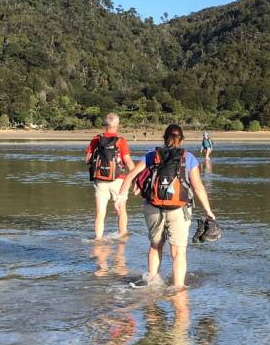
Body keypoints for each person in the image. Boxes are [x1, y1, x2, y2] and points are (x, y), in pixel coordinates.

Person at [120, 124, 216, 289]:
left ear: (164, 138)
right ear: (182, 140)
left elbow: (131, 175)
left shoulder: (152, 155)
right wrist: (208, 211)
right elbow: (198, 187)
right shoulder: (189, 158)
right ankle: (178, 290)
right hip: (179, 209)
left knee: (155, 245)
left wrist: (121, 197)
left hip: (153, 208)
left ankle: (151, 283)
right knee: (178, 251)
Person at [84, 112, 136, 240]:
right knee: (121, 211)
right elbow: (128, 162)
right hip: (118, 180)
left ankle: (98, 239)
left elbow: (87, 160)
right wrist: (136, 179)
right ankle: (123, 237)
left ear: (105, 124)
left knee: (100, 213)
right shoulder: (121, 141)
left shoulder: (96, 139)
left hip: (100, 180)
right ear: (117, 125)